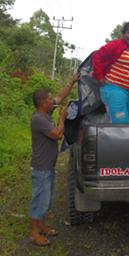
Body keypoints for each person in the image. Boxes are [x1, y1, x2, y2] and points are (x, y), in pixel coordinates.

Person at [29, 72, 79, 246]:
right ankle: (34, 233)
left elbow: (61, 95)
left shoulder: (46, 111)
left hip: (47, 167)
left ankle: (41, 226)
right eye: (50, 100)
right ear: (43, 103)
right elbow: (57, 134)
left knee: (46, 200)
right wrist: (62, 119)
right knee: (39, 201)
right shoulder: (38, 119)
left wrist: (72, 81)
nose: (54, 101)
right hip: (41, 168)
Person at [91, 21, 129, 123]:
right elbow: (96, 56)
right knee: (121, 123)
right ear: (124, 33)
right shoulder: (116, 45)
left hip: (127, 92)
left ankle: (100, 133)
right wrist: (99, 76)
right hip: (114, 89)